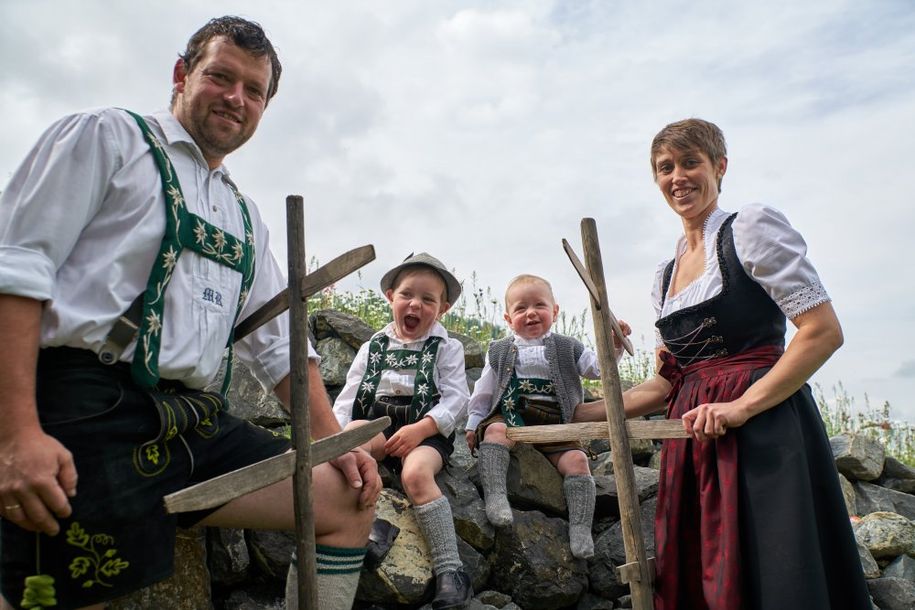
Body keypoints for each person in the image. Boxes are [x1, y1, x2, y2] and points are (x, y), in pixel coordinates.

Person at [0, 16, 381, 610]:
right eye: (221, 77)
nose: (237, 98)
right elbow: (16, 270)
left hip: (191, 423)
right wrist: (16, 433)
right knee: (68, 592)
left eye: (254, 91)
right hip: (85, 409)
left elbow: (281, 347)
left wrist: (336, 444)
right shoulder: (106, 139)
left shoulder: (244, 215)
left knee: (342, 495)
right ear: (181, 74)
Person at [575, 118, 871, 609]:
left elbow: (822, 332)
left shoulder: (750, 230)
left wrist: (741, 408)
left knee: (775, 572)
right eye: (665, 168)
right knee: (704, 578)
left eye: (691, 162)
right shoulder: (664, 275)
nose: (678, 177)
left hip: (764, 430)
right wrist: (580, 414)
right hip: (694, 441)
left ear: (720, 167)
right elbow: (666, 383)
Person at [333, 252, 474, 609]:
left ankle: (450, 570)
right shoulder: (372, 346)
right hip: (377, 424)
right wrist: (336, 438)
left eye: (428, 300)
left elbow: (457, 398)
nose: (416, 305)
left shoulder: (447, 346)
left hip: (426, 431)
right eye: (407, 295)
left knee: (416, 474)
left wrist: (422, 428)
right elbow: (348, 398)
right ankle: (369, 528)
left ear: (442, 309)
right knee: (351, 450)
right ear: (390, 297)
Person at [465, 274, 602, 559]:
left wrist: (612, 345)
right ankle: (496, 497)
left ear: (554, 311)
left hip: (557, 421)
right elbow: (484, 391)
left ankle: (580, 528)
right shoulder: (499, 350)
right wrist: (473, 422)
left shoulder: (568, 346)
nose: (530, 313)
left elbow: (597, 369)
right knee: (494, 432)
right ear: (507, 317)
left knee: (577, 460)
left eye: (539, 305)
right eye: (520, 308)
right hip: (513, 415)